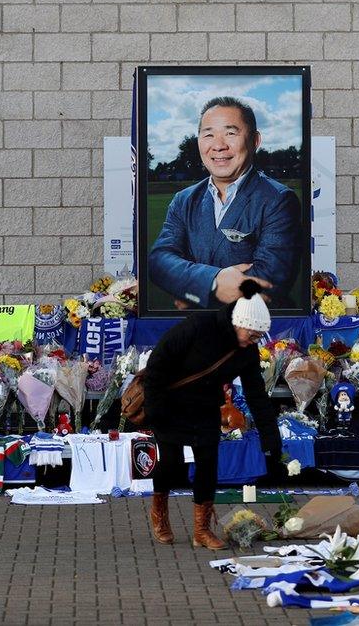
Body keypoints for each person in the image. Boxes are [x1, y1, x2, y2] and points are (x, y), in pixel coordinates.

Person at [142, 280, 282, 550]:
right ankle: (159, 514)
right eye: (252, 335)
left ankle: (202, 531)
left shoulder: (248, 352)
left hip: (205, 406)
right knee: (170, 463)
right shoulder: (199, 326)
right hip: (169, 402)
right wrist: (154, 409)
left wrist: (271, 440)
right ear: (238, 323)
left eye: (257, 337)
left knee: (208, 464)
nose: (254, 342)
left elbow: (257, 396)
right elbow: (158, 363)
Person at [148, 96, 302, 309]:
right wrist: (211, 282)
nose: (219, 146)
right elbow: (159, 261)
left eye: (230, 133)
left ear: (255, 141)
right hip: (198, 333)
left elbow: (268, 280)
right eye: (209, 134)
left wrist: (190, 290)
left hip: (258, 331)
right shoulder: (184, 200)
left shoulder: (279, 200)